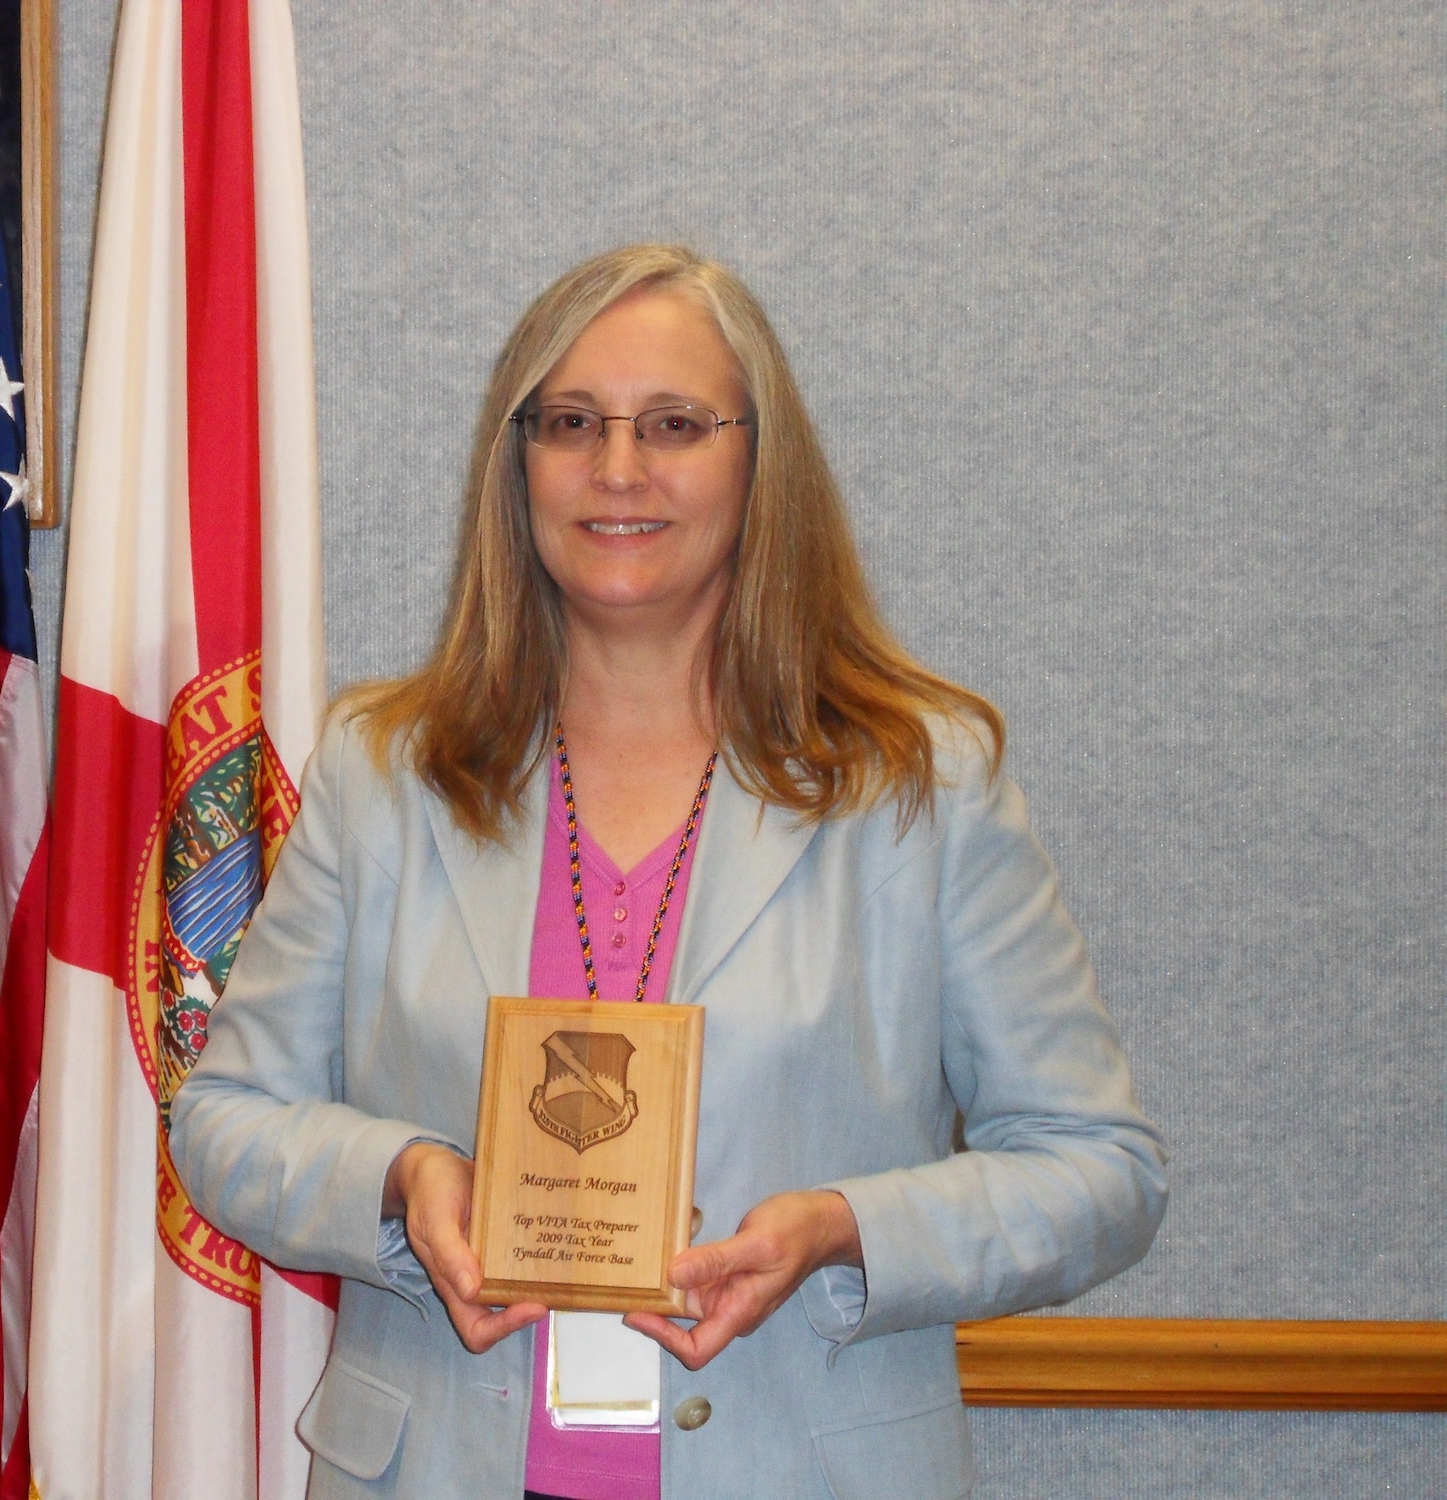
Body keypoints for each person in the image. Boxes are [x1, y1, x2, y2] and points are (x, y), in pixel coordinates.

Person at [168, 243, 1167, 1500]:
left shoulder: (919, 786)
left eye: (676, 424)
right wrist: (402, 1179)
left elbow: (1099, 1171)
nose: (617, 468)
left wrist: (843, 1232)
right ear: (515, 459)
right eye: (571, 422)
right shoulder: (386, 773)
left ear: (759, 464)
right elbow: (222, 1121)